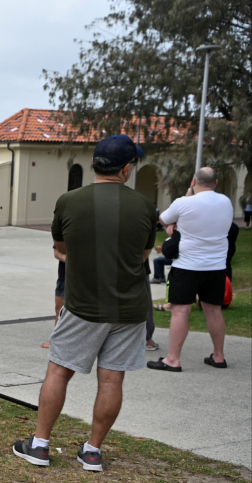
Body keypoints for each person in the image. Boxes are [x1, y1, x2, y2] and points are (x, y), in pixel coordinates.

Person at [13, 134, 155, 472]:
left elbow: (61, 245)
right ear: (126, 168)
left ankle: (40, 444)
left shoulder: (69, 201)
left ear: (93, 164)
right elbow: (144, 255)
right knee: (111, 380)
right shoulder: (145, 207)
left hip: (83, 305)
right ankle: (92, 451)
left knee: (59, 372)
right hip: (130, 307)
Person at [147, 167, 233, 372]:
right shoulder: (226, 202)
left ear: (193, 181)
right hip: (217, 266)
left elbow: (164, 220)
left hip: (187, 265)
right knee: (213, 310)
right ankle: (219, 356)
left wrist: (186, 198)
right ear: (216, 182)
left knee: (180, 310)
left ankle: (173, 359)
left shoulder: (183, 202)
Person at [40, 245, 66, 349]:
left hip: (86, 278)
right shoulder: (65, 230)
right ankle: (56, 341)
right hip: (65, 277)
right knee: (60, 310)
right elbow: (57, 253)